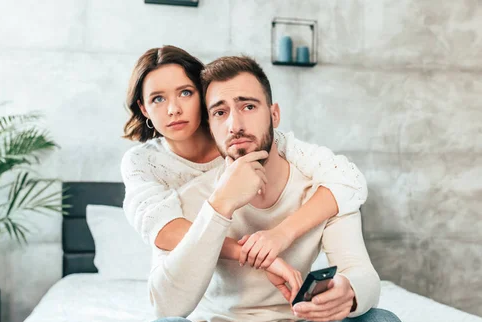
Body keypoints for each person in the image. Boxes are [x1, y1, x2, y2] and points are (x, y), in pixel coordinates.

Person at [129, 56, 413, 322]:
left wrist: (349, 292)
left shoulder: (319, 191)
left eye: (248, 106)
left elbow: (362, 274)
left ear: (274, 115)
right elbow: (167, 307)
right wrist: (220, 208)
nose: (235, 123)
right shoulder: (187, 203)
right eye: (219, 112)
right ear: (210, 124)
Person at [121, 45, 369, 296]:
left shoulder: (242, 141)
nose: (173, 109)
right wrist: (251, 253)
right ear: (144, 109)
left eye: (185, 93)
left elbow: (347, 179)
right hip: (207, 288)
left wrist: (282, 234)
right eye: (158, 99)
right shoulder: (142, 162)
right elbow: (164, 230)